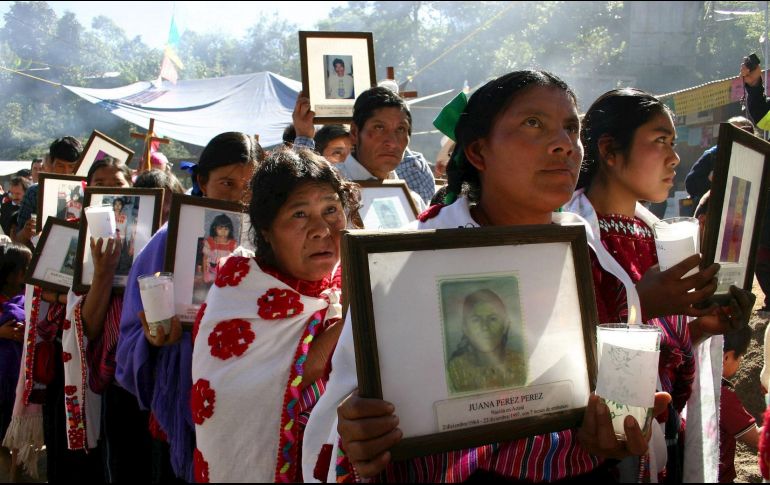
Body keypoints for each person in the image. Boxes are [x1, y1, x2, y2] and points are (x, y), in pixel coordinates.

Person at [303, 70, 671, 483]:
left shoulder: (591, 254)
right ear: (478, 152)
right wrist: (359, 436)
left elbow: (610, 397)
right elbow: (345, 416)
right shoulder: (409, 265)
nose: (564, 145)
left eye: (571, 128)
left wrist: (614, 426)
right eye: (534, 124)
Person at [567, 87, 754, 481]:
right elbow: (563, 355)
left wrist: (705, 328)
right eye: (660, 141)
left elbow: (666, 356)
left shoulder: (657, 235)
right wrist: (640, 303)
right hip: (599, 457)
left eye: (672, 142)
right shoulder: (570, 238)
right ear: (610, 150)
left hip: (662, 440)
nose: (675, 157)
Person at [191, 148, 358, 482]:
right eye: (299, 214)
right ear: (266, 229)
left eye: (331, 210)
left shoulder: (350, 280)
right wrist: (354, 315)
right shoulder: (239, 294)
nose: (321, 229)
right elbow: (272, 387)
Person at [116, 132, 262, 481]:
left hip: (247, 394)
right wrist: (155, 337)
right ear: (201, 181)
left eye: (250, 185)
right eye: (227, 183)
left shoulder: (268, 239)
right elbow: (133, 331)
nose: (240, 196)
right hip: (185, 390)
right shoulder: (169, 241)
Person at [293, 87, 426, 212]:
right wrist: (303, 136)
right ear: (355, 133)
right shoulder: (325, 186)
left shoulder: (414, 203)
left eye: (401, 129)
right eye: (379, 128)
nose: (391, 142)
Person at [447, 289, 526, 393]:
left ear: (505, 325)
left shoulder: (522, 364)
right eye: (476, 320)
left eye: (493, 319)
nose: (484, 327)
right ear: (465, 327)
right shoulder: (454, 370)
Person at [0, 244, 31, 480]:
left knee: (17, 427)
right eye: (25, 268)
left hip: (18, 377)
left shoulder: (29, 297)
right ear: (10, 273)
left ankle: (16, 470)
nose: (30, 272)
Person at [16, 137, 83, 245]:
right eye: (60, 166)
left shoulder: (87, 193)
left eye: (72, 166)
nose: (66, 172)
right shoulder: (34, 192)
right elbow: (17, 240)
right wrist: (25, 232)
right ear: (51, 164)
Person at [718, 326, 760, 483]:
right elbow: (757, 439)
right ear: (726, 357)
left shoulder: (691, 383)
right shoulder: (722, 397)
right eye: (740, 356)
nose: (741, 361)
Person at [684, 116, 754, 208]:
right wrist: (709, 180)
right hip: (714, 212)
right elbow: (690, 185)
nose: (733, 136)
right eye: (730, 132)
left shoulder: (756, 157)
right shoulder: (712, 155)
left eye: (738, 132)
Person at [200, 214, 237, 284]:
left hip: (225, 274)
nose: (223, 231)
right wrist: (205, 273)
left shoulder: (233, 243)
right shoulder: (210, 242)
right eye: (220, 228)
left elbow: (234, 262)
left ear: (230, 229)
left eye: (226, 229)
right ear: (214, 228)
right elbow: (205, 258)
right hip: (211, 273)